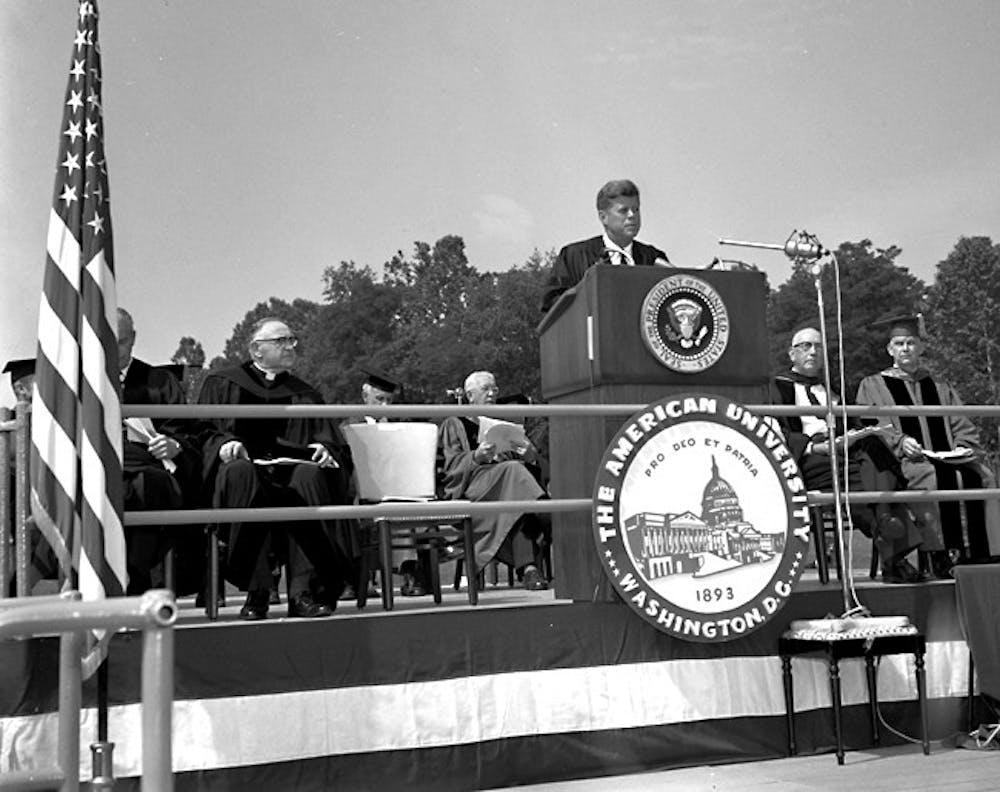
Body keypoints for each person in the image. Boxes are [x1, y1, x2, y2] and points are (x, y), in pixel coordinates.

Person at [197, 317, 358, 619]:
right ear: (257, 350)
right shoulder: (222, 384)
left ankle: (302, 591)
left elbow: (330, 439)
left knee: (310, 475)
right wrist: (224, 444)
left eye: (292, 340)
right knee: (239, 473)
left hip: (290, 473)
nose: (290, 347)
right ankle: (257, 590)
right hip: (245, 472)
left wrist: (326, 449)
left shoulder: (306, 394)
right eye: (281, 341)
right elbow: (203, 431)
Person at [770, 326, 926, 583]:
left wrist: (855, 436)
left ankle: (884, 520)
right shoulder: (777, 388)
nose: (813, 351)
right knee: (862, 478)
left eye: (818, 347)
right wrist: (814, 446)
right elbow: (777, 431)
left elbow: (856, 422)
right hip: (810, 457)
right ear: (791, 354)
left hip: (843, 451)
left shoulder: (833, 387)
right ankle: (893, 553)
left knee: (876, 449)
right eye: (806, 346)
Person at [856, 314, 1000, 574]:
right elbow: (871, 426)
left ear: (921, 347)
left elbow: (961, 422)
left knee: (984, 476)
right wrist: (900, 441)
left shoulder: (939, 385)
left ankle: (985, 552)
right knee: (931, 477)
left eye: (911, 342)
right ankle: (940, 554)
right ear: (890, 350)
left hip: (947, 456)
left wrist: (962, 445)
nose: (905, 348)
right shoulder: (873, 385)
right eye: (899, 344)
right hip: (907, 462)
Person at [118, 308, 204, 595]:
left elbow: (186, 432)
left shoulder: (159, 381)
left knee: (146, 487)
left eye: (122, 341)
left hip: (152, 471)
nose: (115, 349)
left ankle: (135, 581)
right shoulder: (82, 383)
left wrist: (174, 445)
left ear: (133, 339)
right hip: (103, 472)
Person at [438, 370, 550, 590]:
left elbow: (529, 459)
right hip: (474, 488)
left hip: (506, 487)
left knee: (517, 495)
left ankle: (529, 569)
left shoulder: (501, 423)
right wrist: (476, 457)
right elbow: (449, 469)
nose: (492, 393)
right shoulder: (454, 423)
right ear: (470, 396)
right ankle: (544, 513)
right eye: (485, 389)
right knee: (515, 474)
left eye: (494, 389)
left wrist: (528, 453)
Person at [540, 179, 670, 313]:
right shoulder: (574, 256)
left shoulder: (654, 259)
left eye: (636, 209)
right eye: (623, 211)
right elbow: (553, 305)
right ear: (603, 217)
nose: (632, 215)